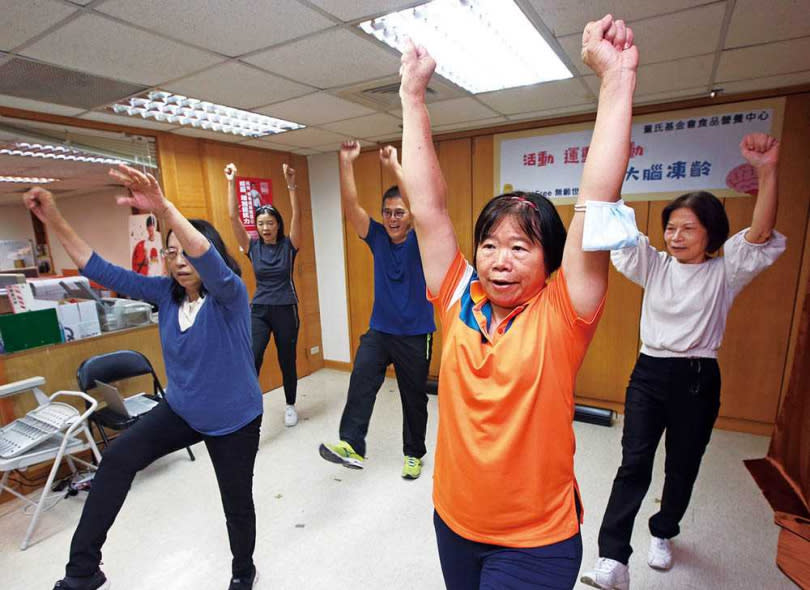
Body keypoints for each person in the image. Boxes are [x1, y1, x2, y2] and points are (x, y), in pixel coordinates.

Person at [398, 14, 637, 589]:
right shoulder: (459, 297)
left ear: (551, 260)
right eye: (489, 244)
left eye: (520, 247)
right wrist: (412, 97)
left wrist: (616, 81)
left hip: (536, 540)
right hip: (453, 521)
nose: (500, 259)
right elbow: (428, 209)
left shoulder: (564, 312)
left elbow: (597, 199)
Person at [25, 165, 262, 590]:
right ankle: (82, 572)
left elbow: (204, 253)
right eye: (172, 253)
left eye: (186, 251)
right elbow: (99, 269)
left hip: (235, 418)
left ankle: (243, 572)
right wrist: (53, 218)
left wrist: (165, 209)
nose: (181, 260)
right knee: (116, 460)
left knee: (236, 504)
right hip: (182, 410)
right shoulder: (163, 295)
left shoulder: (230, 293)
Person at [580, 133, 786, 590]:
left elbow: (761, 233)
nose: (675, 235)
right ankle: (613, 560)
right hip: (649, 373)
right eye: (671, 227)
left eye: (687, 228)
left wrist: (767, 170)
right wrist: (612, 169)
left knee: (682, 466)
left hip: (697, 377)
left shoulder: (726, 270)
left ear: (711, 233)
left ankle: (664, 531)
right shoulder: (653, 265)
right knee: (633, 463)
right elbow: (616, 224)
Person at [319, 141, 435, 480]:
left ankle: (414, 453)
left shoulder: (422, 238)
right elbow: (351, 206)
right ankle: (351, 443)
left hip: (415, 334)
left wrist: (395, 166)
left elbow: (422, 206)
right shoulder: (378, 236)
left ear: (410, 215)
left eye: (400, 212)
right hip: (381, 330)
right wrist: (345, 162)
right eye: (388, 212)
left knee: (413, 398)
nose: (393, 218)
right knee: (362, 377)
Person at [226, 162, 301, 427]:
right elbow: (233, 218)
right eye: (261, 224)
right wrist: (231, 183)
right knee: (252, 355)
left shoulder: (290, 245)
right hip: (259, 309)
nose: (266, 227)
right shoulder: (252, 246)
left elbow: (297, 216)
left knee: (286, 359)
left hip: (285, 308)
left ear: (278, 225)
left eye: (270, 223)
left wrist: (291, 185)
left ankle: (290, 404)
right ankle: (248, 406)